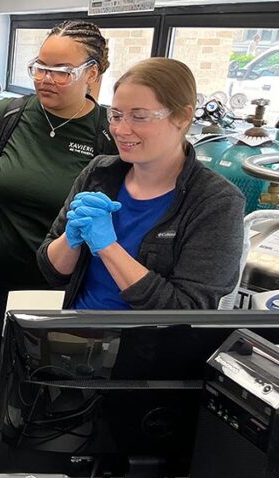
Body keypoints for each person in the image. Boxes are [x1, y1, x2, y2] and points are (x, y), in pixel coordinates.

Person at [0, 20, 116, 382]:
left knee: (45, 387)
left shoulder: (107, 133)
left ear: (91, 72)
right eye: (40, 67)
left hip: (56, 295)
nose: (45, 78)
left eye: (61, 71)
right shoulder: (8, 114)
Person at [37, 58, 245, 310]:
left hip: (144, 346)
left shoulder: (216, 203)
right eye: (116, 115)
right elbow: (52, 271)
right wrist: (70, 239)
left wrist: (108, 248)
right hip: (75, 334)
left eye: (139, 117)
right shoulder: (99, 173)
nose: (121, 130)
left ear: (182, 116)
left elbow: (184, 309)